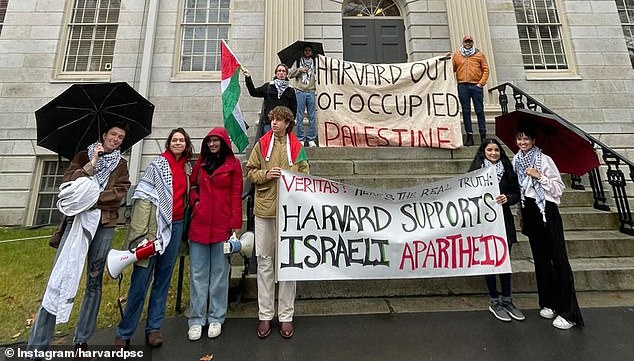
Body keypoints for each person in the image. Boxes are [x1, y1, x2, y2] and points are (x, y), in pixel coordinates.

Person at [27, 122, 131, 355]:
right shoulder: (83, 154)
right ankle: (38, 345)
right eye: (113, 134)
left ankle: (81, 341)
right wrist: (92, 163)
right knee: (59, 276)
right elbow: (69, 183)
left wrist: (91, 198)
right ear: (104, 135)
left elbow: (119, 194)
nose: (116, 139)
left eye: (121, 137)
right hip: (76, 223)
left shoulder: (121, 165)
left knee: (94, 282)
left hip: (104, 225)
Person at [113, 128, 194, 349]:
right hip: (153, 228)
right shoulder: (158, 165)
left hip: (175, 226)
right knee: (141, 279)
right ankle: (125, 330)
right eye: (174, 140)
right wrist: (139, 236)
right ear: (169, 143)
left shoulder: (187, 167)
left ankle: (154, 327)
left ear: (186, 144)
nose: (178, 143)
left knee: (163, 278)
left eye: (182, 140)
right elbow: (142, 196)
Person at [512, 124, 584, 330]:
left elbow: (558, 188)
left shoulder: (544, 160)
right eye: (519, 139)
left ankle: (569, 312)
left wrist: (539, 176)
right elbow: (519, 189)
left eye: (526, 139)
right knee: (541, 260)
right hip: (530, 212)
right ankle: (550, 302)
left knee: (558, 259)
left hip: (547, 210)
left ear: (534, 141)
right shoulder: (517, 160)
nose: (523, 142)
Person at [246, 106, 309, 339]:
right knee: (264, 261)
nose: (274, 123)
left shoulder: (297, 147)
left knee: (288, 264)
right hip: (265, 211)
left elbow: (305, 174)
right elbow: (250, 171)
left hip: (289, 213)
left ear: (288, 123)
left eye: (279, 120)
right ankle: (265, 314)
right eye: (272, 119)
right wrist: (265, 175)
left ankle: (286, 316)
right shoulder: (262, 144)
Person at [187, 127, 243, 341]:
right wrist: (197, 203)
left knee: (219, 274)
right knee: (198, 274)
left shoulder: (233, 165)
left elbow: (236, 194)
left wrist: (235, 225)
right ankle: (196, 319)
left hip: (221, 225)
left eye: (215, 141)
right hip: (200, 225)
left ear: (223, 142)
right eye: (209, 141)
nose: (212, 144)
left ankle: (216, 317)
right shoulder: (200, 165)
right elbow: (193, 187)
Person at [468, 138, 524, 322]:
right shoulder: (475, 172)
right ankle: (494, 301)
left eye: (497, 150)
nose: (493, 153)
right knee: (490, 261)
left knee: (504, 260)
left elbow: (516, 193)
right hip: (485, 221)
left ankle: (507, 300)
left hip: (504, 220)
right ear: (483, 151)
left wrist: (507, 197)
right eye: (490, 150)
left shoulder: (508, 170)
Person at [452, 35, 489, 146]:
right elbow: (452, 69)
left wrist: (480, 83)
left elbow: (486, 70)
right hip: (462, 86)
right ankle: (469, 136)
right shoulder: (457, 55)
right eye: (466, 42)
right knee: (466, 111)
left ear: (472, 43)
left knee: (479, 111)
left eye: (470, 42)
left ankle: (483, 136)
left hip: (476, 86)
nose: (468, 44)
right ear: (463, 43)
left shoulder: (479, 55)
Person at [243, 63, 297, 138]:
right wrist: (248, 78)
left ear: (286, 74)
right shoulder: (268, 86)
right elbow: (253, 92)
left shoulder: (290, 90)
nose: (281, 73)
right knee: (269, 145)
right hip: (269, 123)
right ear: (276, 73)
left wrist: (290, 123)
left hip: (283, 124)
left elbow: (293, 108)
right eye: (279, 71)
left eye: (284, 71)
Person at [288, 44, 317, 147]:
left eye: (309, 50)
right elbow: (289, 75)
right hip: (300, 91)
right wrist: (299, 70)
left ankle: (311, 139)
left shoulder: (316, 62)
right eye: (306, 50)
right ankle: (300, 138)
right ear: (303, 52)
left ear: (312, 52)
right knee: (299, 116)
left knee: (312, 116)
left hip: (311, 91)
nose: (308, 52)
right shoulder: (297, 62)